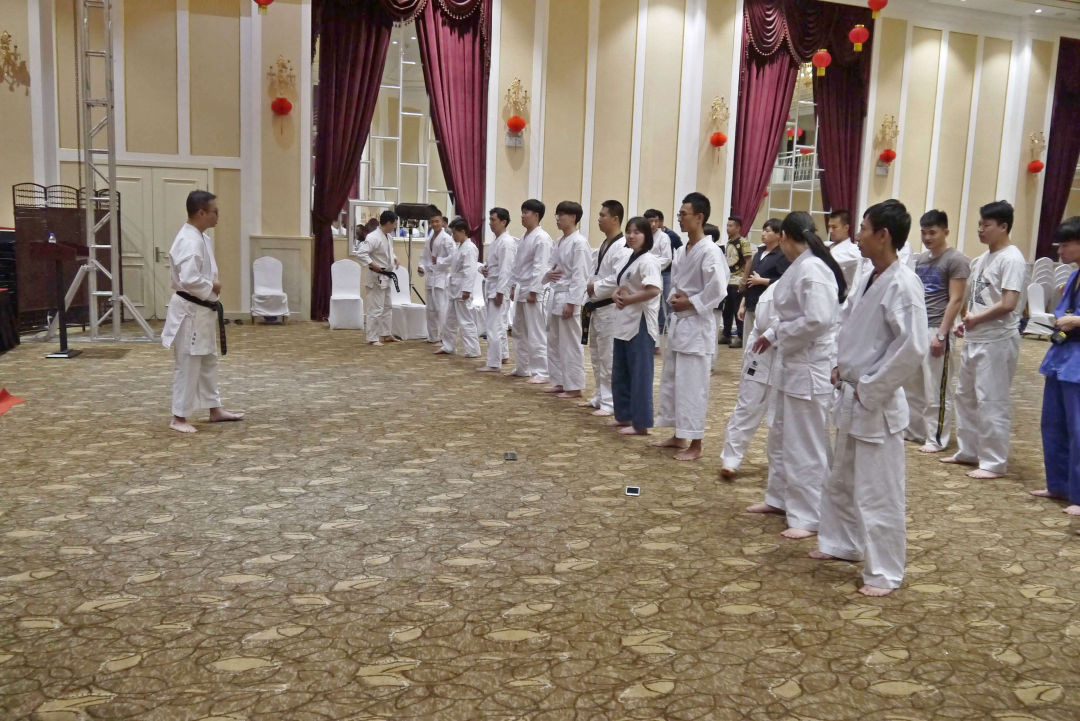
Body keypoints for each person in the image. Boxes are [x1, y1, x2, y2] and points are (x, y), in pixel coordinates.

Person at [811, 200, 928, 597]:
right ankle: (842, 542)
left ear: (883, 235)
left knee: (879, 491)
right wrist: (838, 364)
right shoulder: (868, 274)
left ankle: (885, 571)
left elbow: (912, 347)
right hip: (850, 391)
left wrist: (869, 386)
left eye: (863, 228)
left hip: (875, 401)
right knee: (841, 478)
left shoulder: (903, 284)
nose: (857, 235)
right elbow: (846, 324)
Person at [747, 211, 844, 538]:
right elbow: (791, 314)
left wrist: (782, 334)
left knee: (806, 443)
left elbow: (817, 320)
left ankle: (809, 515)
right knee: (780, 434)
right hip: (791, 363)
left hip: (809, 366)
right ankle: (779, 497)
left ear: (786, 237)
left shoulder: (814, 269)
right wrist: (772, 334)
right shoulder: (800, 266)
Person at [942, 200, 1027, 479]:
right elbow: (977, 300)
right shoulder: (981, 259)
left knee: (991, 399)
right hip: (976, 336)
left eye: (986, 225)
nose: (980, 229)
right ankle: (969, 450)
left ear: (1003, 226)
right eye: (979, 224)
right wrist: (966, 323)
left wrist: (977, 319)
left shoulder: (1011, 259)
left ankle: (993, 461)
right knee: (965, 395)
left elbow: (1009, 303)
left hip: (998, 339)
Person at [653, 192, 727, 461]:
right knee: (675, 382)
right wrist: (675, 298)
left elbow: (718, 290)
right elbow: (677, 283)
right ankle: (679, 435)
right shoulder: (682, 251)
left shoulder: (710, 251)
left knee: (694, 387)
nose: (680, 218)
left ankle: (696, 443)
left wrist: (691, 302)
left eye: (684, 214)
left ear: (699, 217)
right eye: (679, 214)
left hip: (697, 325)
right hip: (680, 323)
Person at [161, 190, 244, 433]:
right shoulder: (190, 241)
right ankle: (178, 417)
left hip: (202, 311)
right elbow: (189, 279)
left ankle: (214, 408)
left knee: (208, 360)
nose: (218, 216)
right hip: (190, 311)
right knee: (188, 364)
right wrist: (212, 287)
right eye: (214, 212)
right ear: (201, 212)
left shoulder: (201, 237)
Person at [901, 210, 970, 453]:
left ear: (945, 232)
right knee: (913, 385)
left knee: (936, 388)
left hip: (938, 328)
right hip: (919, 327)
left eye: (932, 232)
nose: (927, 237)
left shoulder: (956, 260)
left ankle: (937, 437)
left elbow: (956, 299)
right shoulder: (921, 260)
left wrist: (942, 334)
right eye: (923, 232)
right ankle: (916, 431)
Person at [1030, 217, 1080, 515]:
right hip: (1061, 356)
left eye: (1066, 245)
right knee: (1053, 423)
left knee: (1078, 428)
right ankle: (1058, 484)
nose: (1060, 251)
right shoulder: (1073, 277)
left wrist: (1077, 320)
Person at [719, 281, 779, 478]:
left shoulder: (812, 283)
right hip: (761, 355)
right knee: (746, 407)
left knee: (781, 418)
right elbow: (764, 321)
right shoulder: (776, 289)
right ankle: (731, 459)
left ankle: (780, 465)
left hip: (790, 359)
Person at [610, 217, 663, 435]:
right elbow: (622, 285)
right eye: (629, 232)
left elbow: (653, 290)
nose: (631, 236)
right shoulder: (629, 257)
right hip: (623, 319)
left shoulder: (648, 260)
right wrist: (615, 295)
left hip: (640, 321)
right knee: (620, 371)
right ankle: (624, 416)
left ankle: (641, 423)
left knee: (640, 373)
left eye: (637, 232)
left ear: (646, 236)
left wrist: (629, 299)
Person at [582, 200, 631, 416]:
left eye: (603, 215)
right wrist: (590, 286)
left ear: (615, 219)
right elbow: (596, 272)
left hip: (610, 308)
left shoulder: (623, 246)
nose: (599, 219)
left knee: (608, 357)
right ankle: (599, 396)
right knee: (596, 354)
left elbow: (618, 278)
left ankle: (610, 402)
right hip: (596, 306)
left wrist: (595, 286)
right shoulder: (604, 244)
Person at [543, 201, 591, 398]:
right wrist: (548, 274)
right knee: (554, 341)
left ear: (573, 217)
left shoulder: (579, 243)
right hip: (556, 293)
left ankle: (574, 385)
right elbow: (550, 265)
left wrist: (573, 302)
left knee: (570, 343)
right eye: (557, 215)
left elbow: (580, 275)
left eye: (561, 215)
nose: (557, 219)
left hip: (569, 295)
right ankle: (560, 381)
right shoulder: (560, 241)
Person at [507, 199, 553, 383]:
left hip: (534, 291)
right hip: (521, 289)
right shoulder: (525, 236)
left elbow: (540, 267)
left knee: (535, 332)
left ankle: (542, 371)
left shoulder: (542, 238)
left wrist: (535, 290)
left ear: (536, 215)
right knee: (519, 330)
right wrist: (512, 286)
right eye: (522, 212)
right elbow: (517, 265)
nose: (522, 216)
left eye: (526, 212)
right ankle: (522, 367)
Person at [738, 218, 790, 348]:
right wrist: (743, 304)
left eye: (767, 231)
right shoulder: (758, 253)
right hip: (751, 302)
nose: (763, 234)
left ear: (778, 235)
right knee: (747, 343)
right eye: (763, 230)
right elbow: (750, 279)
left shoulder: (782, 255)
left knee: (761, 344)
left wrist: (761, 281)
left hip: (768, 306)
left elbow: (784, 281)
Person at [478, 208, 517, 372]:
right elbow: (492, 265)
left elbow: (507, 269)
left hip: (498, 289)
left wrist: (501, 291)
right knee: (498, 323)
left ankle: (493, 363)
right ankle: (503, 355)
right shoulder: (497, 241)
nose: (490, 223)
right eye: (490, 219)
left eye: (493, 220)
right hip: (492, 285)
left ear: (503, 222)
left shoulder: (507, 242)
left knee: (494, 326)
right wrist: (483, 269)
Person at [435, 218, 480, 358]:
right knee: (450, 320)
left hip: (462, 290)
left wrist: (467, 289)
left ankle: (473, 350)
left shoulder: (470, 248)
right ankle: (448, 346)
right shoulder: (460, 247)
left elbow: (470, 271)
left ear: (463, 231)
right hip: (454, 289)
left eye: (454, 233)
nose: (453, 236)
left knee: (466, 320)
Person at [356, 210, 401, 346]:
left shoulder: (388, 236)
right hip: (376, 277)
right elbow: (361, 253)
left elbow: (386, 252)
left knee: (387, 307)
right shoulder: (373, 237)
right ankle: (372, 337)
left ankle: (386, 334)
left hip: (386, 277)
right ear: (388, 223)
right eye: (394, 224)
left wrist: (394, 258)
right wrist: (372, 264)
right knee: (375, 309)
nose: (395, 227)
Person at [418, 207, 454, 344]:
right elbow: (424, 257)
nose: (434, 224)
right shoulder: (429, 238)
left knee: (441, 308)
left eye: (437, 221)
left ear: (442, 221)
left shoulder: (447, 239)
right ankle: (433, 336)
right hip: (431, 276)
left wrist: (439, 261)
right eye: (432, 222)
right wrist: (422, 267)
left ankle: (445, 338)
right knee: (430, 309)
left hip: (441, 276)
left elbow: (453, 257)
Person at [721, 215, 753, 348]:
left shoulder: (743, 242)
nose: (728, 228)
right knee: (727, 310)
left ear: (738, 227)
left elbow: (749, 261)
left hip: (738, 280)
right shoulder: (729, 242)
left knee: (737, 310)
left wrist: (744, 280)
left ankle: (740, 336)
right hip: (728, 280)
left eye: (731, 226)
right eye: (727, 225)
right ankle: (726, 334)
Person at [643, 209, 673, 339]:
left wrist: (650, 265)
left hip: (659, 273)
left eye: (656, 221)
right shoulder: (642, 235)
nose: (653, 224)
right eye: (650, 221)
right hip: (643, 274)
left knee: (663, 301)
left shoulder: (664, 237)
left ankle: (666, 326)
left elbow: (667, 258)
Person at [827, 210, 863, 295]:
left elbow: (826, 262)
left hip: (842, 298)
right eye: (829, 227)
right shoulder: (827, 245)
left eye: (834, 227)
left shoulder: (853, 251)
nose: (830, 231)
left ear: (846, 228)